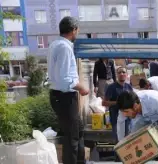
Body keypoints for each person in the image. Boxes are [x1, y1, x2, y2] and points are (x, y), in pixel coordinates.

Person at [48, 16, 88, 164]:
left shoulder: (55, 44)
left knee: (78, 131)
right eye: (77, 31)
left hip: (61, 96)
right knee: (72, 138)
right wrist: (81, 87)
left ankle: (81, 161)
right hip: (64, 96)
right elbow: (65, 79)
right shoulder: (64, 47)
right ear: (74, 30)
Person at [116, 90, 158, 158]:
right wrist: (121, 144)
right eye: (122, 111)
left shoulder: (152, 100)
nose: (124, 114)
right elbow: (120, 124)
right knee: (133, 140)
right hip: (143, 117)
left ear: (135, 106)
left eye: (126, 112)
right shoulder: (124, 107)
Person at [102, 67, 133, 143]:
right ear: (117, 75)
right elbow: (104, 103)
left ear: (127, 74)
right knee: (118, 143)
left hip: (127, 120)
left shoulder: (129, 87)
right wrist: (117, 102)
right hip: (116, 120)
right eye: (119, 72)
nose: (121, 74)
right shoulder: (111, 87)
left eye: (123, 72)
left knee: (127, 142)